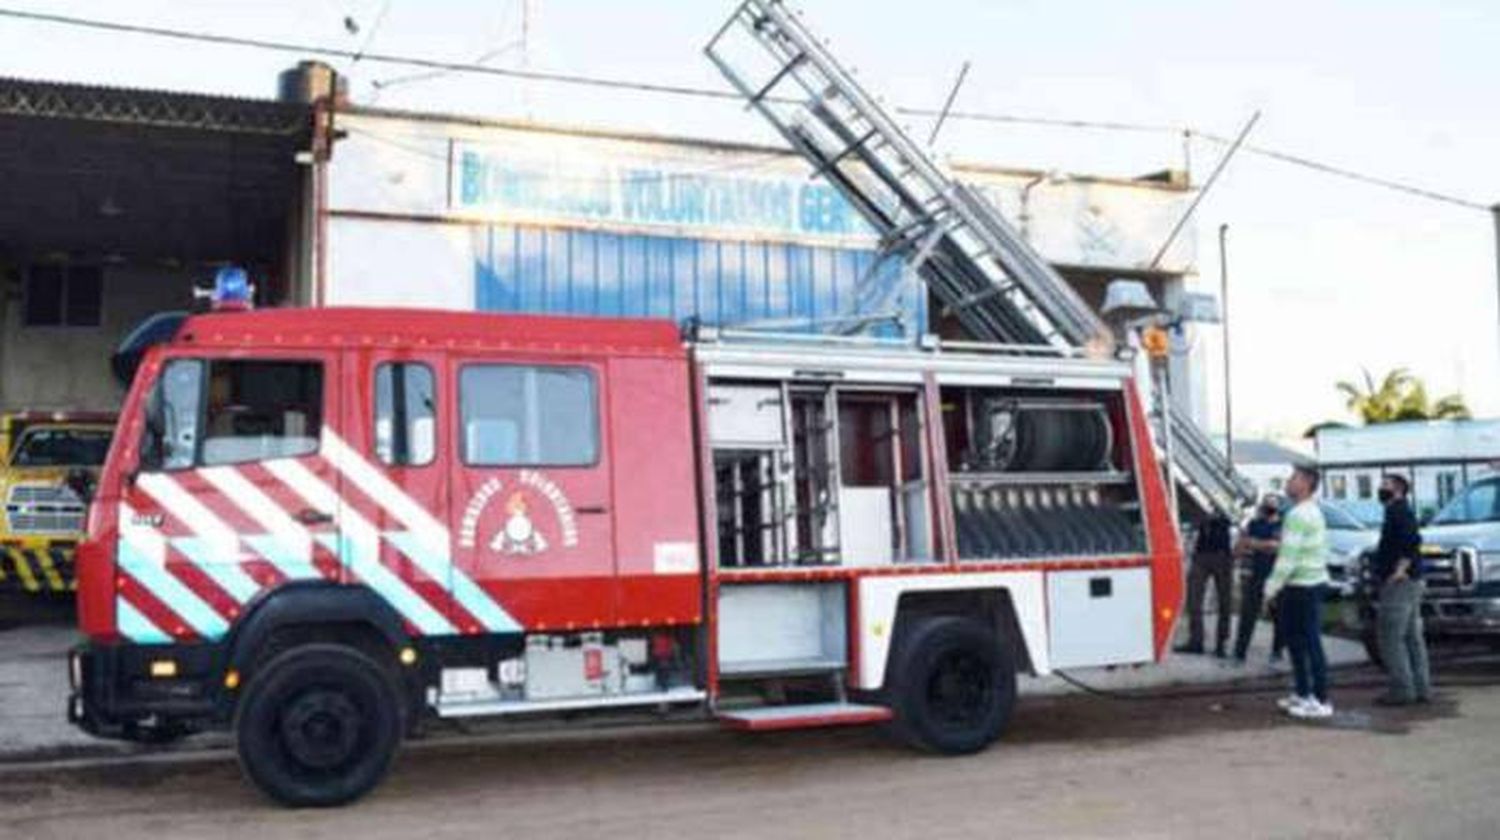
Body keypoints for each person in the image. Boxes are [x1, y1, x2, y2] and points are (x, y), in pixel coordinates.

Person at [1265, 464, 1333, 719]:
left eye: (1293, 478)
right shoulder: (1310, 511)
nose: (1288, 482)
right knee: (1298, 641)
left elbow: (1288, 558)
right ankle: (1304, 693)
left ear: (1305, 483)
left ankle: (1320, 698)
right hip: (1308, 584)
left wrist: (1271, 587)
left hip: (1302, 586)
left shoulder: (1298, 515)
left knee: (1307, 641)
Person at [1371, 474, 1431, 706]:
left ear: (1398, 490)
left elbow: (1411, 541)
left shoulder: (1398, 512)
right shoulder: (1401, 511)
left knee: (1391, 637)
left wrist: (1399, 569)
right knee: (1412, 637)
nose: (1380, 489)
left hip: (1400, 582)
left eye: (1385, 485)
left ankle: (1402, 688)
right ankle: (1421, 687)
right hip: (1412, 580)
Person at [1231, 494, 1285, 663]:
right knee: (1248, 614)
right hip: (1255, 574)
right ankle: (1240, 653)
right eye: (1266, 504)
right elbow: (1238, 548)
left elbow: (1276, 546)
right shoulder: (1254, 524)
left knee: (1279, 616)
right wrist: (1249, 541)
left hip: (1276, 575)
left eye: (1272, 504)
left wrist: (1254, 543)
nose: (1268, 508)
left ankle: (1277, 651)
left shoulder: (1282, 525)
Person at [1176, 511, 1234, 656]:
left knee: (1225, 601)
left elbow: (1231, 516)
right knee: (1193, 598)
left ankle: (1221, 644)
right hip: (1201, 554)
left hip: (1222, 555)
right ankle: (1196, 641)